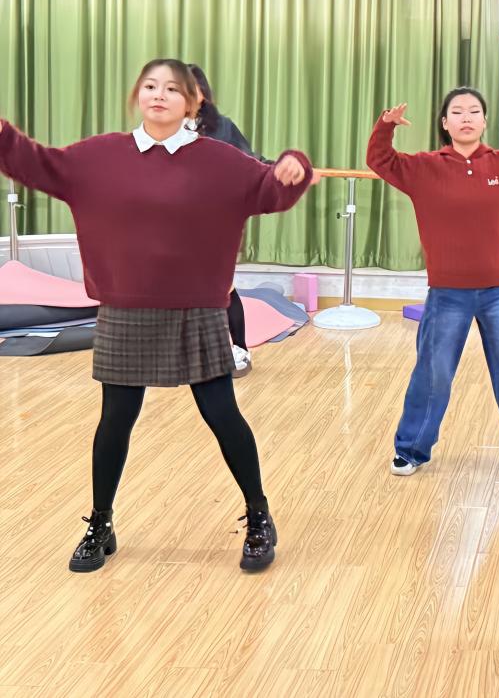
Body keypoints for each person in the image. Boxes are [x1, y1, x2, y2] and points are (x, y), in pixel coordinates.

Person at [0, 58, 313, 573]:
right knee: (115, 421)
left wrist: (293, 165)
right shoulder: (98, 156)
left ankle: (259, 515)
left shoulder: (220, 160)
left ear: (192, 103)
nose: (159, 95)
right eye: (150, 86)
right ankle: (101, 523)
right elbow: (36, 162)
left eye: (172, 88)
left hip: (196, 308)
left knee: (222, 413)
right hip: (126, 309)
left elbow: (271, 189)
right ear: (137, 95)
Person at [367, 87, 499, 476]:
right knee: (434, 372)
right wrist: (385, 126)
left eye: (474, 111)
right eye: (457, 112)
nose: (466, 117)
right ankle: (411, 448)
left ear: (484, 121)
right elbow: (380, 160)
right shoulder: (424, 168)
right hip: (446, 293)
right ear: (445, 123)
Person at [189, 64, 266, 377]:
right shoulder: (162, 129)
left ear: (202, 93)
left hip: (216, 218)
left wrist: (281, 170)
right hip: (176, 219)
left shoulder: (222, 127)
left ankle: (240, 349)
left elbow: (251, 162)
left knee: (224, 285)